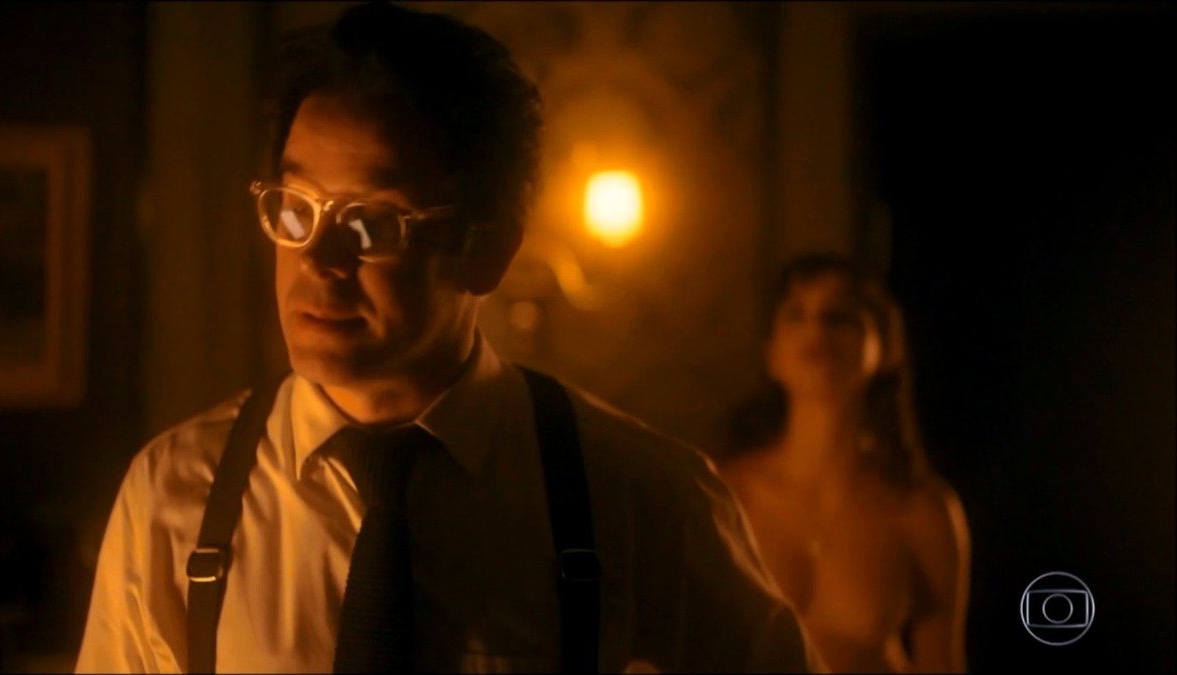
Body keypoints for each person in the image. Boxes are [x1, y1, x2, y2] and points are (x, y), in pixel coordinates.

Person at [74, 3, 811, 673]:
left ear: (487, 250)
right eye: (295, 209)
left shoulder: (635, 493)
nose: (318, 259)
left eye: (372, 223)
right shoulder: (177, 493)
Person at [714, 253, 971, 673]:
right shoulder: (725, 495)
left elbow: (941, 665)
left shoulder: (918, 509)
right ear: (772, 352)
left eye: (839, 317)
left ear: (884, 348)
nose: (816, 330)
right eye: (796, 315)